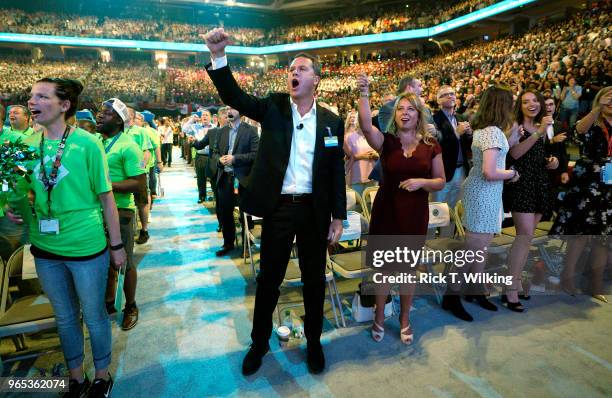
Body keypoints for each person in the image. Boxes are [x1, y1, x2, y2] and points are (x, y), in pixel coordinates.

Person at [205, 28, 346, 376]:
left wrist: (338, 216)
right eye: (291, 70)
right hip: (279, 209)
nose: (293, 73)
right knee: (269, 280)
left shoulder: (331, 122)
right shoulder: (273, 107)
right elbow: (235, 96)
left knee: (314, 280)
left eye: (301, 69)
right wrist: (219, 57)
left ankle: (314, 342)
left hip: (314, 210)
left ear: (317, 79)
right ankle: (259, 343)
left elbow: (335, 174)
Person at [6, 78, 123, 397]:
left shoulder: (88, 144)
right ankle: (76, 377)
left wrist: (117, 246)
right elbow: (16, 189)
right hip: (45, 249)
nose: (32, 102)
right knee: (65, 317)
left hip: (86, 247)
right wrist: (12, 207)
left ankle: (101, 375)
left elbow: (107, 198)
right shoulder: (25, 145)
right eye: (31, 96)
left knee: (94, 314)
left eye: (42, 96)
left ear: (64, 105)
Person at [356, 74, 445, 344]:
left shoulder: (431, 145)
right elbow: (365, 125)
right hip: (386, 211)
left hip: (415, 214)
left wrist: (422, 182)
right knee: (383, 270)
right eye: (400, 110)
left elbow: (441, 180)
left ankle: (405, 318)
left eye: (410, 109)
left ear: (419, 116)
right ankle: (379, 316)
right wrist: (364, 93)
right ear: (394, 116)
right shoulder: (387, 142)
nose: (405, 113)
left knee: (408, 270)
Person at [452, 86, 519, 321]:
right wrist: (511, 174)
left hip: (484, 192)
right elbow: (490, 171)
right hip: (483, 192)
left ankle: (475, 290)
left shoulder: (485, 130)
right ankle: (452, 297)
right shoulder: (492, 133)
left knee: (480, 249)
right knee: (473, 250)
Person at [551, 86, 611, 303]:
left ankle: (596, 284)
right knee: (580, 233)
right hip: (588, 181)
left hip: (609, 184)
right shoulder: (593, 120)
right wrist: (597, 108)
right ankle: (567, 278)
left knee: (604, 237)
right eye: (608, 98)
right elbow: (579, 131)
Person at [502, 90, 559, 312]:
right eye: (526, 101)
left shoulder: (542, 126)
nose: (532, 104)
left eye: (535, 100)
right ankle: (511, 288)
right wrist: (537, 134)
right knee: (523, 236)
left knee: (527, 239)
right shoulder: (517, 126)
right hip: (521, 184)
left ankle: (515, 281)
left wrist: (551, 161)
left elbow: (539, 153)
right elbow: (514, 154)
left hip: (539, 184)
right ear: (520, 105)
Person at [96, 98, 147, 331]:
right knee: (101, 261)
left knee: (124, 261)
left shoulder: (128, 145)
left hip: (121, 211)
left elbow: (138, 183)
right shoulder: (96, 142)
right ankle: (108, 301)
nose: (99, 116)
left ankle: (131, 305)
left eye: (105, 114)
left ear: (118, 119)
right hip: (94, 212)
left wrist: (105, 185)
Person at [211, 106, 259, 256]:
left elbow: (255, 154)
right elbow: (214, 152)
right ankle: (228, 243)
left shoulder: (250, 130)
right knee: (225, 213)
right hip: (225, 178)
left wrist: (235, 159)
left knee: (245, 213)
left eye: (232, 108)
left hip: (242, 179)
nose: (229, 111)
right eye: (227, 109)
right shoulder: (222, 131)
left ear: (241, 112)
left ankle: (247, 244)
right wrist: (219, 159)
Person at [432, 85, 473, 210]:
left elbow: (467, 146)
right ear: (438, 101)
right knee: (437, 211)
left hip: (461, 171)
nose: (450, 96)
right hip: (443, 172)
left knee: (455, 212)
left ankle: (451, 231)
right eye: (445, 95)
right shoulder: (434, 120)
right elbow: (438, 146)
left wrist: (470, 134)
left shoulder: (460, 118)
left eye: (452, 93)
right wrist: (457, 133)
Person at [193, 107, 227, 232]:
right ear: (219, 118)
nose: (229, 118)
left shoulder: (240, 132)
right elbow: (200, 144)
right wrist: (193, 142)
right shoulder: (212, 132)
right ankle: (222, 224)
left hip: (233, 172)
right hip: (216, 172)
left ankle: (244, 228)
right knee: (219, 199)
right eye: (225, 115)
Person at [343, 109, 378, 195]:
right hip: (356, 175)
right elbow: (346, 157)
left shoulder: (375, 135)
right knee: (357, 204)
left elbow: (381, 152)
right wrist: (363, 156)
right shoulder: (350, 137)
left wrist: (376, 155)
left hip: (372, 173)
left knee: (372, 204)